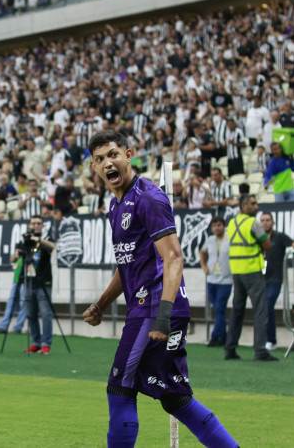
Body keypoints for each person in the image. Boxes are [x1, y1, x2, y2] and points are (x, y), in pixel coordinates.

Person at [82, 130, 238, 447]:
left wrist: (163, 314)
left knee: (120, 386)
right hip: (152, 308)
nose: (107, 163)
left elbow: (174, 257)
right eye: (100, 159)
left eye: (113, 154)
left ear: (129, 155)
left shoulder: (148, 197)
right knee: (175, 397)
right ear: (94, 168)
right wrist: (101, 304)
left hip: (154, 309)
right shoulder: (115, 206)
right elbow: (127, 265)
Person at [224, 194, 277, 361]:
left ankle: (230, 349)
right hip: (252, 271)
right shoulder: (253, 222)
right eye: (253, 204)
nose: (256, 207)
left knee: (237, 312)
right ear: (244, 205)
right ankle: (260, 351)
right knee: (260, 311)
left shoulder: (232, 222)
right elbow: (267, 244)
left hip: (237, 272)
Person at [259, 212, 294, 351]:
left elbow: (292, 243)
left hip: (275, 280)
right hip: (260, 280)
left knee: (268, 305)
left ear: (273, 222)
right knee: (263, 310)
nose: (265, 222)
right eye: (262, 220)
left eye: (268, 220)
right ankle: (262, 340)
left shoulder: (279, 236)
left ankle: (271, 340)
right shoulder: (258, 238)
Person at [21, 215, 55, 354]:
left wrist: (38, 239)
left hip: (44, 282)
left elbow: (52, 247)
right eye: (33, 223)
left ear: (43, 225)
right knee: (31, 314)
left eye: (38, 223)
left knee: (46, 313)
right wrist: (17, 253)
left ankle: (46, 343)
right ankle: (36, 342)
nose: (35, 225)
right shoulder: (26, 240)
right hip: (29, 282)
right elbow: (14, 257)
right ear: (29, 224)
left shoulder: (46, 238)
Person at [199, 216, 231, 347]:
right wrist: (204, 266)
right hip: (211, 279)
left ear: (224, 226)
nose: (217, 228)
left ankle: (214, 337)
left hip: (226, 280)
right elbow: (202, 252)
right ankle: (223, 337)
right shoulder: (210, 240)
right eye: (214, 226)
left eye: (219, 225)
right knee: (218, 310)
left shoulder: (230, 239)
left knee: (220, 308)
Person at [0, 237, 28, 334]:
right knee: (11, 303)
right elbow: (12, 259)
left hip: (26, 280)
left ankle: (18, 327)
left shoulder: (33, 249)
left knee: (24, 303)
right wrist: (17, 253)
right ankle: (3, 326)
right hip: (16, 280)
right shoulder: (21, 247)